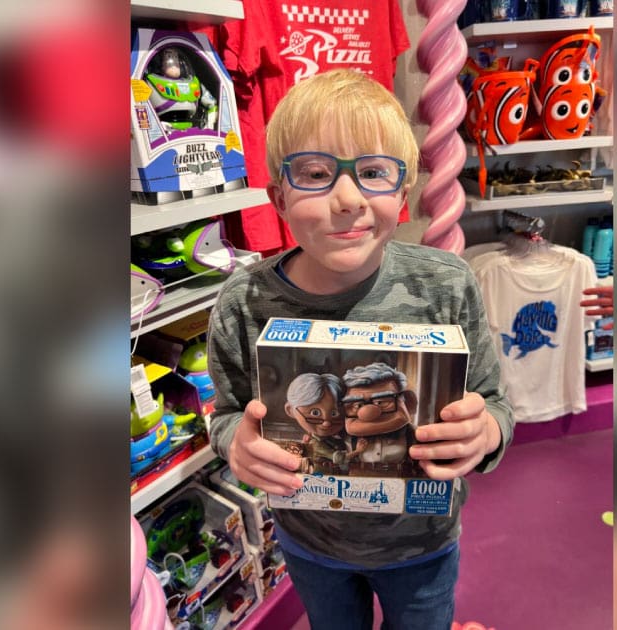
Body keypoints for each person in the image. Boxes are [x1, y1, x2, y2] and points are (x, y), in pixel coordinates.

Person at [206, 69, 513, 630]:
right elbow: (226, 414)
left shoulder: (445, 284)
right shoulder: (244, 302)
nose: (346, 199)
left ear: (402, 193)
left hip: (422, 545)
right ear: (278, 196)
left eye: (373, 173)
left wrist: (483, 433)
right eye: (315, 174)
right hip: (310, 542)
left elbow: (493, 403)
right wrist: (236, 445)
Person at [343, 362, 422, 478]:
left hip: (398, 479)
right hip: (360, 480)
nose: (368, 414)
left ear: (407, 402)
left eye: (381, 402)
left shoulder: (414, 434)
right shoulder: (345, 437)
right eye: (358, 405)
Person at [284, 372, 350, 475]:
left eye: (334, 413)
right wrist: (358, 451)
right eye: (315, 413)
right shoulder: (314, 443)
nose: (326, 423)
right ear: (290, 410)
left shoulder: (337, 438)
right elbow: (338, 457)